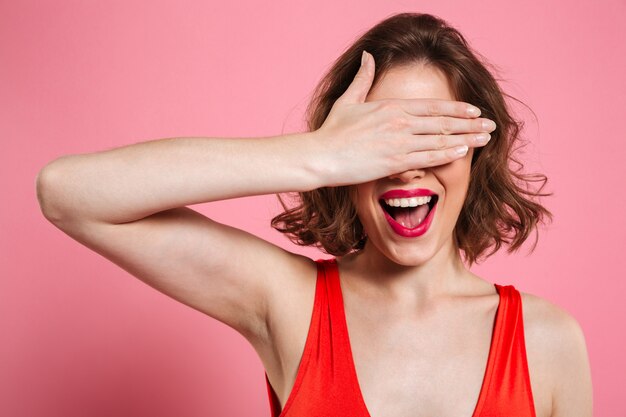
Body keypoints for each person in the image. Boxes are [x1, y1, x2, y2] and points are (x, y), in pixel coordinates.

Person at [36, 12, 592, 417]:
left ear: (476, 152)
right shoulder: (289, 302)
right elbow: (67, 192)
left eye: (431, 139)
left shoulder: (548, 340)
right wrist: (314, 156)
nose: (406, 168)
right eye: (385, 142)